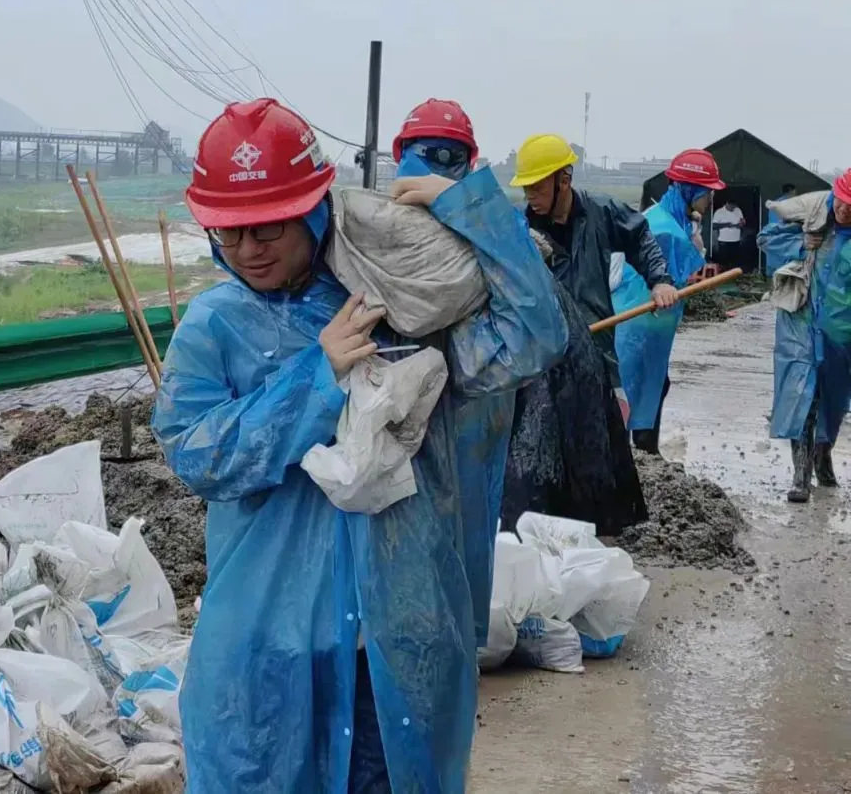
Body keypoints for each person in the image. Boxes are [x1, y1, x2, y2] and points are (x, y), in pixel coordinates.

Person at [153, 98, 567, 792]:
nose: (251, 250)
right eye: (231, 233)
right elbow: (199, 453)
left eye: (270, 227)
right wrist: (318, 377)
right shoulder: (214, 325)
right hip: (272, 645)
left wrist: (474, 211)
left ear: (314, 209)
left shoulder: (395, 305)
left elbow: (535, 336)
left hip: (388, 646)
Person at [500, 133, 667, 536]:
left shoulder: (602, 213)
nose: (531, 196)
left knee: (596, 448)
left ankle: (598, 530)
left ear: (564, 179)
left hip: (595, 355)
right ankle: (538, 531)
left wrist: (659, 280)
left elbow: (641, 238)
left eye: (538, 187)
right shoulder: (522, 230)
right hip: (544, 362)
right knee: (541, 451)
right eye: (526, 188)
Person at [391, 98, 508, 652]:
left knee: (467, 526)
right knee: (404, 523)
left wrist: (472, 211)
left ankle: (459, 645)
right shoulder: (381, 222)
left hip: (476, 400)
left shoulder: (490, 223)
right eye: (425, 154)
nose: (435, 165)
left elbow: (537, 326)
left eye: (449, 156)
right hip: (403, 398)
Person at [619, 149, 725, 455]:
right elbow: (677, 276)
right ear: (690, 190)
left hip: (652, 327)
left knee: (654, 386)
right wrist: (697, 248)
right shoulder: (665, 230)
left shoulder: (664, 218)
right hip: (639, 324)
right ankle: (639, 455)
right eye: (707, 194)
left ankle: (645, 453)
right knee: (636, 390)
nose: (709, 201)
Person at [761, 168, 851, 502]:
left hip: (843, 330)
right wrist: (801, 242)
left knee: (835, 399)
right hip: (802, 321)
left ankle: (822, 457)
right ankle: (800, 476)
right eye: (843, 203)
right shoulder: (813, 214)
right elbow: (765, 239)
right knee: (803, 394)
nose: (845, 211)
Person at [713, 198, 746, 269]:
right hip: (724, 240)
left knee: (734, 260)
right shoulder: (719, 212)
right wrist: (727, 224)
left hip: (736, 240)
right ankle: (723, 275)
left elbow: (742, 220)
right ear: (727, 204)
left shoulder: (738, 210)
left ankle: (732, 275)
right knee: (724, 261)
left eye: (734, 207)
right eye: (731, 207)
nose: (733, 208)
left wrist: (742, 223)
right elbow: (714, 225)